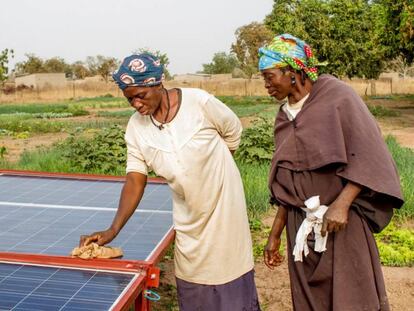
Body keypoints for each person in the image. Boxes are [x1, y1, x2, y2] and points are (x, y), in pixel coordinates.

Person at [79, 53, 260, 311]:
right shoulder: (136, 127)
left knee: (232, 291)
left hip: (225, 216)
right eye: (129, 98)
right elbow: (135, 179)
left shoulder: (199, 103)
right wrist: (112, 230)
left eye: (141, 95)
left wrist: (216, 172)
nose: (136, 104)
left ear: (157, 84)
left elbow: (233, 132)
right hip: (188, 222)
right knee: (195, 288)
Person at [258, 34, 404, 311]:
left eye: (269, 76)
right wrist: (275, 234)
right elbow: (288, 183)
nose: (265, 85)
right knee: (310, 300)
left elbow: (368, 154)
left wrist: (343, 204)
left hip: (341, 222)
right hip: (299, 223)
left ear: (292, 72)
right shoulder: (284, 115)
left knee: (353, 297)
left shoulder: (338, 97)